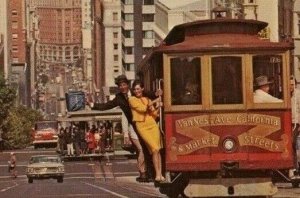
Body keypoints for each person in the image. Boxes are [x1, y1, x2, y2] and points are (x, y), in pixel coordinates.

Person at [89, 74, 149, 182]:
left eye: (124, 84)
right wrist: (94, 105)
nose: (122, 87)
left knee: (147, 148)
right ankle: (143, 173)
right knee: (140, 149)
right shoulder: (119, 98)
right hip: (133, 126)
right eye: (120, 85)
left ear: (128, 85)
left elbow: (148, 94)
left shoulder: (135, 91)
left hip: (145, 124)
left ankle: (148, 171)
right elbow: (107, 105)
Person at [129, 79, 165, 182]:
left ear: (142, 89)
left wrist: (159, 107)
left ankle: (159, 174)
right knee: (154, 148)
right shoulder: (132, 100)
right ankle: (157, 174)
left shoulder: (147, 99)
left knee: (157, 149)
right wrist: (156, 101)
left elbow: (154, 115)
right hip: (142, 126)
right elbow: (142, 109)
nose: (137, 91)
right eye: (135, 89)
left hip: (152, 125)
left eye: (138, 89)